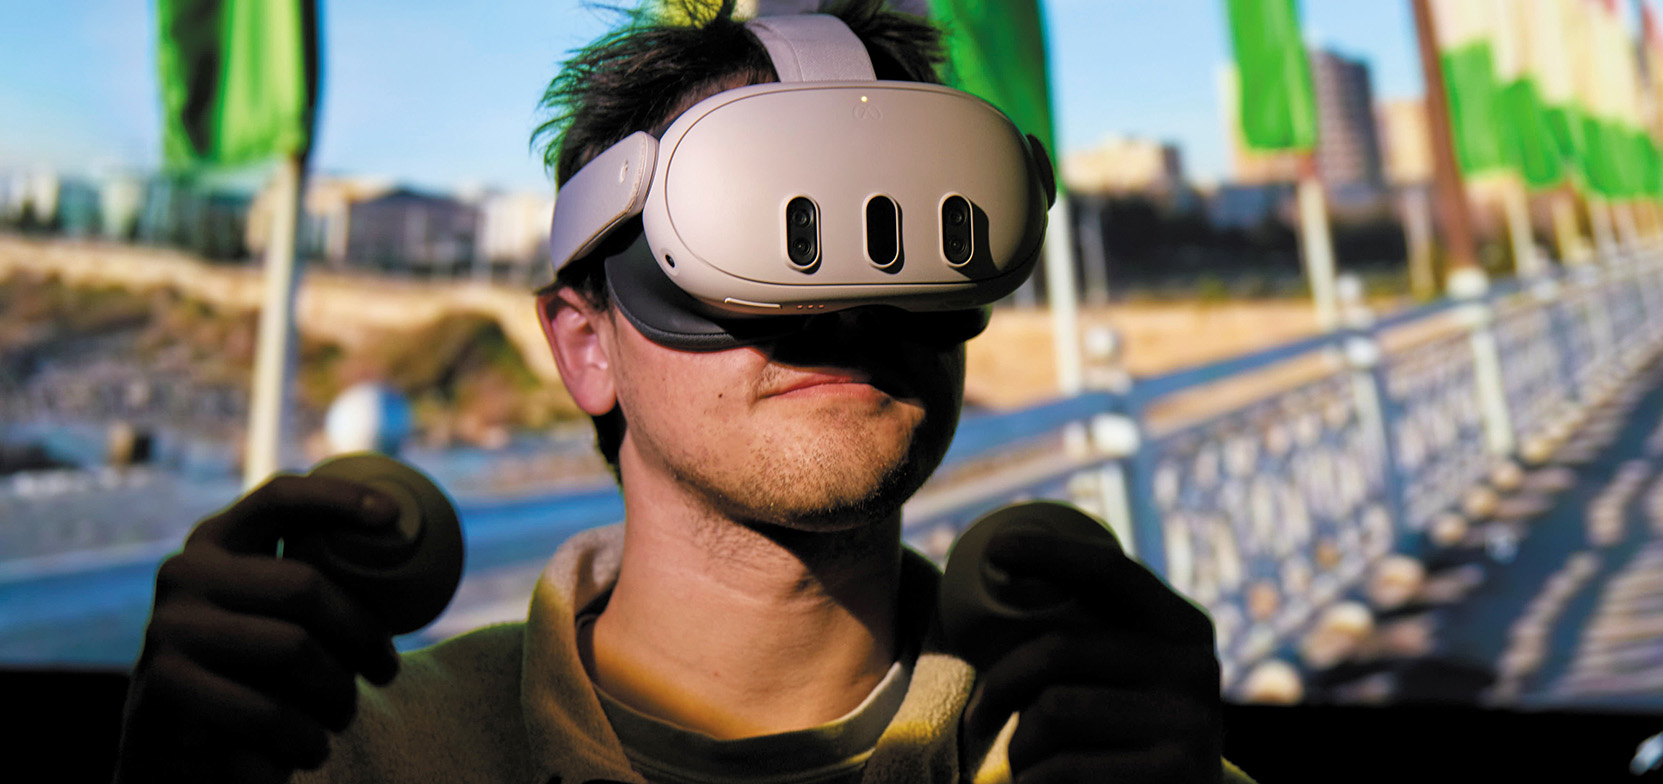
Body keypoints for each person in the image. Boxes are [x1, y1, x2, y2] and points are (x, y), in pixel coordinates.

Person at [114, 1, 1256, 782]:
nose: (839, 308)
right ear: (584, 344)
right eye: (749, 233)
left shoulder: (1100, 752)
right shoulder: (347, 753)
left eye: (903, 236)